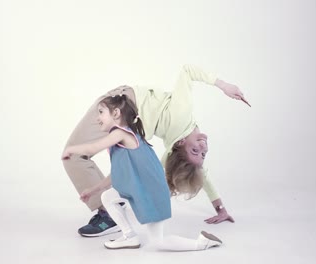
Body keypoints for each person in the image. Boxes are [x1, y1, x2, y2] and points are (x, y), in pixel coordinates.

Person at [62, 64, 248, 237]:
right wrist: (224, 85)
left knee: (76, 156)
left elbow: (200, 173)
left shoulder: (178, 135)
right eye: (202, 153)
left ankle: (108, 214)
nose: (202, 148)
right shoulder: (183, 114)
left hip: (123, 114)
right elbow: (188, 71)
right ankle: (109, 212)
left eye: (196, 152)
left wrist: (220, 209)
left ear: (181, 143)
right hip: (127, 106)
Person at [62, 94, 223, 250]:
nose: (98, 118)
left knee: (158, 242)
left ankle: (203, 244)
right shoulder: (123, 138)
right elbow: (116, 174)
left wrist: (71, 149)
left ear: (116, 113)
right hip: (142, 191)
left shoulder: (121, 133)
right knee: (107, 196)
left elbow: (93, 147)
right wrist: (92, 190)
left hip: (151, 195)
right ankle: (129, 236)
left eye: (101, 112)